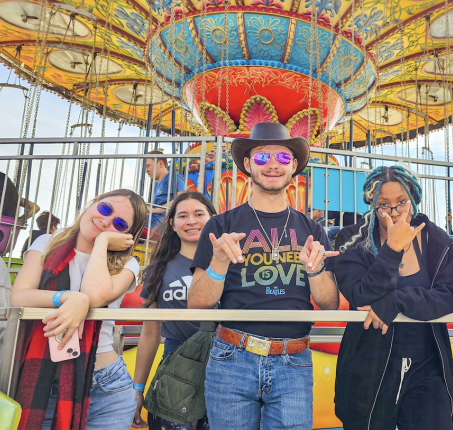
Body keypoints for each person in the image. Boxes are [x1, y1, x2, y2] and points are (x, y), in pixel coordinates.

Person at [187, 122, 340, 430]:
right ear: (247, 164)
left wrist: (316, 269)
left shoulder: (313, 230)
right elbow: (197, 302)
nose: (273, 165)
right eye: (262, 158)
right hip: (232, 357)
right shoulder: (220, 226)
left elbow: (329, 303)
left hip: (293, 360)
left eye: (283, 158)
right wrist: (218, 262)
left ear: (294, 166)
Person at [332, 165, 453, 430]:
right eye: (383, 205)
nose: (393, 211)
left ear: (413, 200)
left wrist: (395, 302)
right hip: (368, 365)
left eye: (401, 202)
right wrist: (392, 249)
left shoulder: (437, 241)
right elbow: (359, 294)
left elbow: (449, 296)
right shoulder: (351, 239)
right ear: (371, 205)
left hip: (428, 365)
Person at [10, 188, 147, 430]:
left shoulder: (127, 263)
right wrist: (69, 298)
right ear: (93, 202)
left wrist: (102, 242)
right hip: (47, 380)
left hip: (108, 386)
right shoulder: (47, 242)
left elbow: (94, 295)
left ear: (126, 236)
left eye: (118, 223)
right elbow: (19, 296)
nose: (105, 221)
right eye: (105, 209)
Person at [132, 191, 217, 429]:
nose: (191, 221)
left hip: (224, 370)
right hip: (176, 372)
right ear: (172, 224)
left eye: (199, 214)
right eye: (183, 216)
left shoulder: (229, 263)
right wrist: (138, 389)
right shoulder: (159, 269)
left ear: (212, 218)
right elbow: (150, 334)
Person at [144, 150, 186, 231]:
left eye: (148, 166)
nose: (146, 170)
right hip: (154, 219)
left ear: (160, 163)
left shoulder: (173, 177)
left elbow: (181, 199)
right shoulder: (156, 184)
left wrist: (154, 210)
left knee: (133, 221)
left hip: (164, 220)